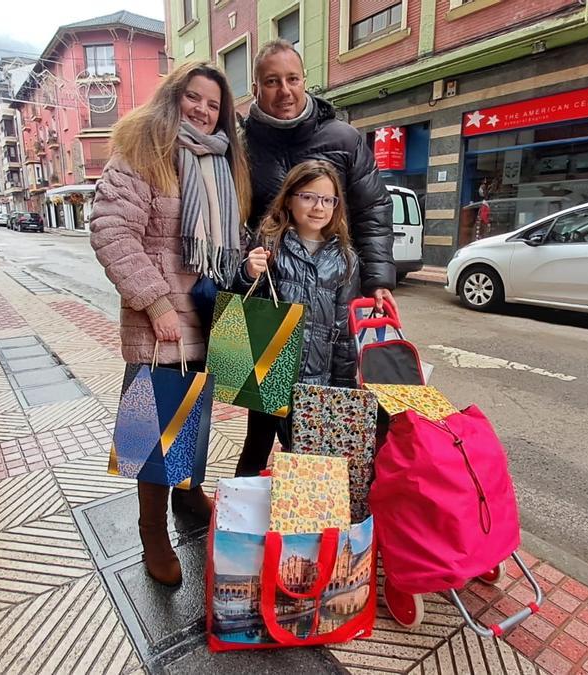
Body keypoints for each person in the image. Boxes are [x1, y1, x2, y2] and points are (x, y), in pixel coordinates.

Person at [90, 62, 250, 586]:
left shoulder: (222, 164)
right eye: (194, 98)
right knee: (152, 433)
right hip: (161, 321)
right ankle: (151, 531)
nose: (203, 110)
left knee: (196, 419)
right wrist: (155, 303)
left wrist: (247, 263)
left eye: (213, 103)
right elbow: (113, 231)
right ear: (173, 97)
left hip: (209, 313)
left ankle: (189, 492)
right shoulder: (142, 151)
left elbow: (227, 241)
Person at [235, 38, 395, 478]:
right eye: (271, 82)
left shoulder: (341, 137)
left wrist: (378, 278)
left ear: (305, 81)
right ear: (256, 88)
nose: (284, 90)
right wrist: (242, 266)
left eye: (292, 79)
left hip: (328, 294)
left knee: (326, 415)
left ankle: (316, 515)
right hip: (269, 297)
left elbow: (373, 209)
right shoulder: (242, 145)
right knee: (260, 420)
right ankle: (234, 520)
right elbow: (232, 219)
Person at [232, 161, 361, 475]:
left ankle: (292, 520)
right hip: (270, 368)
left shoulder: (345, 258)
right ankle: (239, 519)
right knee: (256, 448)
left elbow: (345, 331)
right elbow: (240, 303)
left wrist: (343, 388)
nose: (319, 207)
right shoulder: (270, 242)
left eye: (328, 200)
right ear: (289, 199)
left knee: (306, 457)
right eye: (308, 197)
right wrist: (248, 273)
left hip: (318, 376)